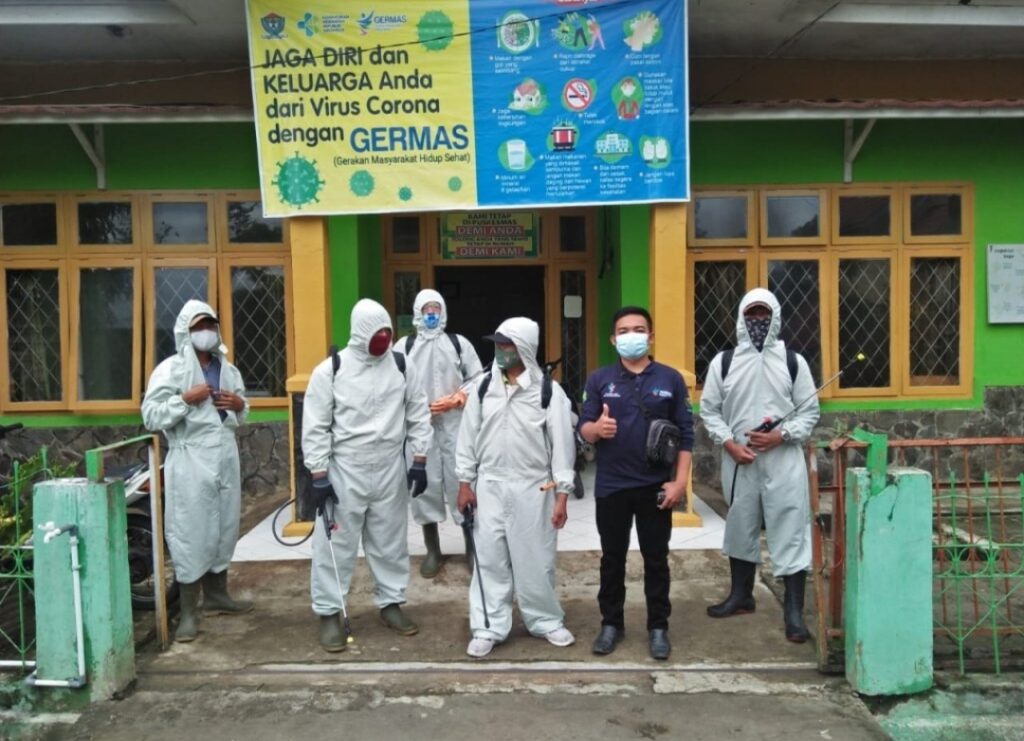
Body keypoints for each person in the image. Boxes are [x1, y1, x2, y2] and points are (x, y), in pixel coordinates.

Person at [301, 298, 433, 652]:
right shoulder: (331, 370)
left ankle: (391, 603)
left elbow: (418, 412)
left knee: (390, 540)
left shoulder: (402, 366)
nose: (384, 340)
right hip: (345, 468)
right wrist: (318, 474)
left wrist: (419, 459)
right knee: (337, 543)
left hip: (390, 467)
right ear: (360, 333)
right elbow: (315, 426)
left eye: (387, 333)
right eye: (377, 334)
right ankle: (330, 612)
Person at [700, 288, 820, 643]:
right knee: (740, 524)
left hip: (783, 460)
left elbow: (810, 411)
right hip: (740, 460)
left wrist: (782, 434)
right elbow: (709, 411)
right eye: (751, 315)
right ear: (740, 318)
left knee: (790, 528)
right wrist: (730, 443)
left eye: (763, 316)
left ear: (775, 318)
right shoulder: (723, 363)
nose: (757, 323)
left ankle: (794, 613)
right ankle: (741, 595)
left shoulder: (793, 362)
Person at [455, 317, 576, 658]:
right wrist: (465, 483)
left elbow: (563, 447)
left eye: (507, 344)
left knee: (535, 559)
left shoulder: (548, 393)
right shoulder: (482, 388)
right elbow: (467, 439)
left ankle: (545, 620)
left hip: (534, 487)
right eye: (497, 343)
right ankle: (488, 626)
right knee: (489, 559)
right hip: (489, 485)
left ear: (525, 348)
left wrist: (562, 495)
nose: (500, 350)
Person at [578, 306, 693, 660]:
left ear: (651, 336)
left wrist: (679, 484)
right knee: (612, 558)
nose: (632, 336)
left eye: (639, 329)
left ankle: (658, 627)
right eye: (624, 330)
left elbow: (687, 436)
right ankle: (611, 623)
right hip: (612, 486)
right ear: (614, 339)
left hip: (656, 486)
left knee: (655, 559)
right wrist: (596, 430)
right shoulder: (599, 379)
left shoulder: (670, 379)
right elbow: (583, 427)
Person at [141, 300, 251, 643]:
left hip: (224, 455)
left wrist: (239, 405)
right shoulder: (170, 370)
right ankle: (188, 611)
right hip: (189, 458)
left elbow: (243, 408)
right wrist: (185, 399)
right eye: (200, 325)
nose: (207, 332)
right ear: (186, 332)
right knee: (191, 530)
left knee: (225, 525)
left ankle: (217, 595)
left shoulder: (227, 369)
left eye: (211, 324)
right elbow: (150, 416)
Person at [393, 289, 483, 578]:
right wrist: (415, 405)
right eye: (426, 309)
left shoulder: (459, 344)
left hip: (456, 426)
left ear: (443, 312)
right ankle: (433, 549)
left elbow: (479, 379)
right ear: (417, 311)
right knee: (424, 487)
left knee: (462, 482)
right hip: (420, 428)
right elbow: (390, 382)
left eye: (436, 309)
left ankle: (472, 546)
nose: (432, 314)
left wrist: (458, 398)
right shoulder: (404, 347)